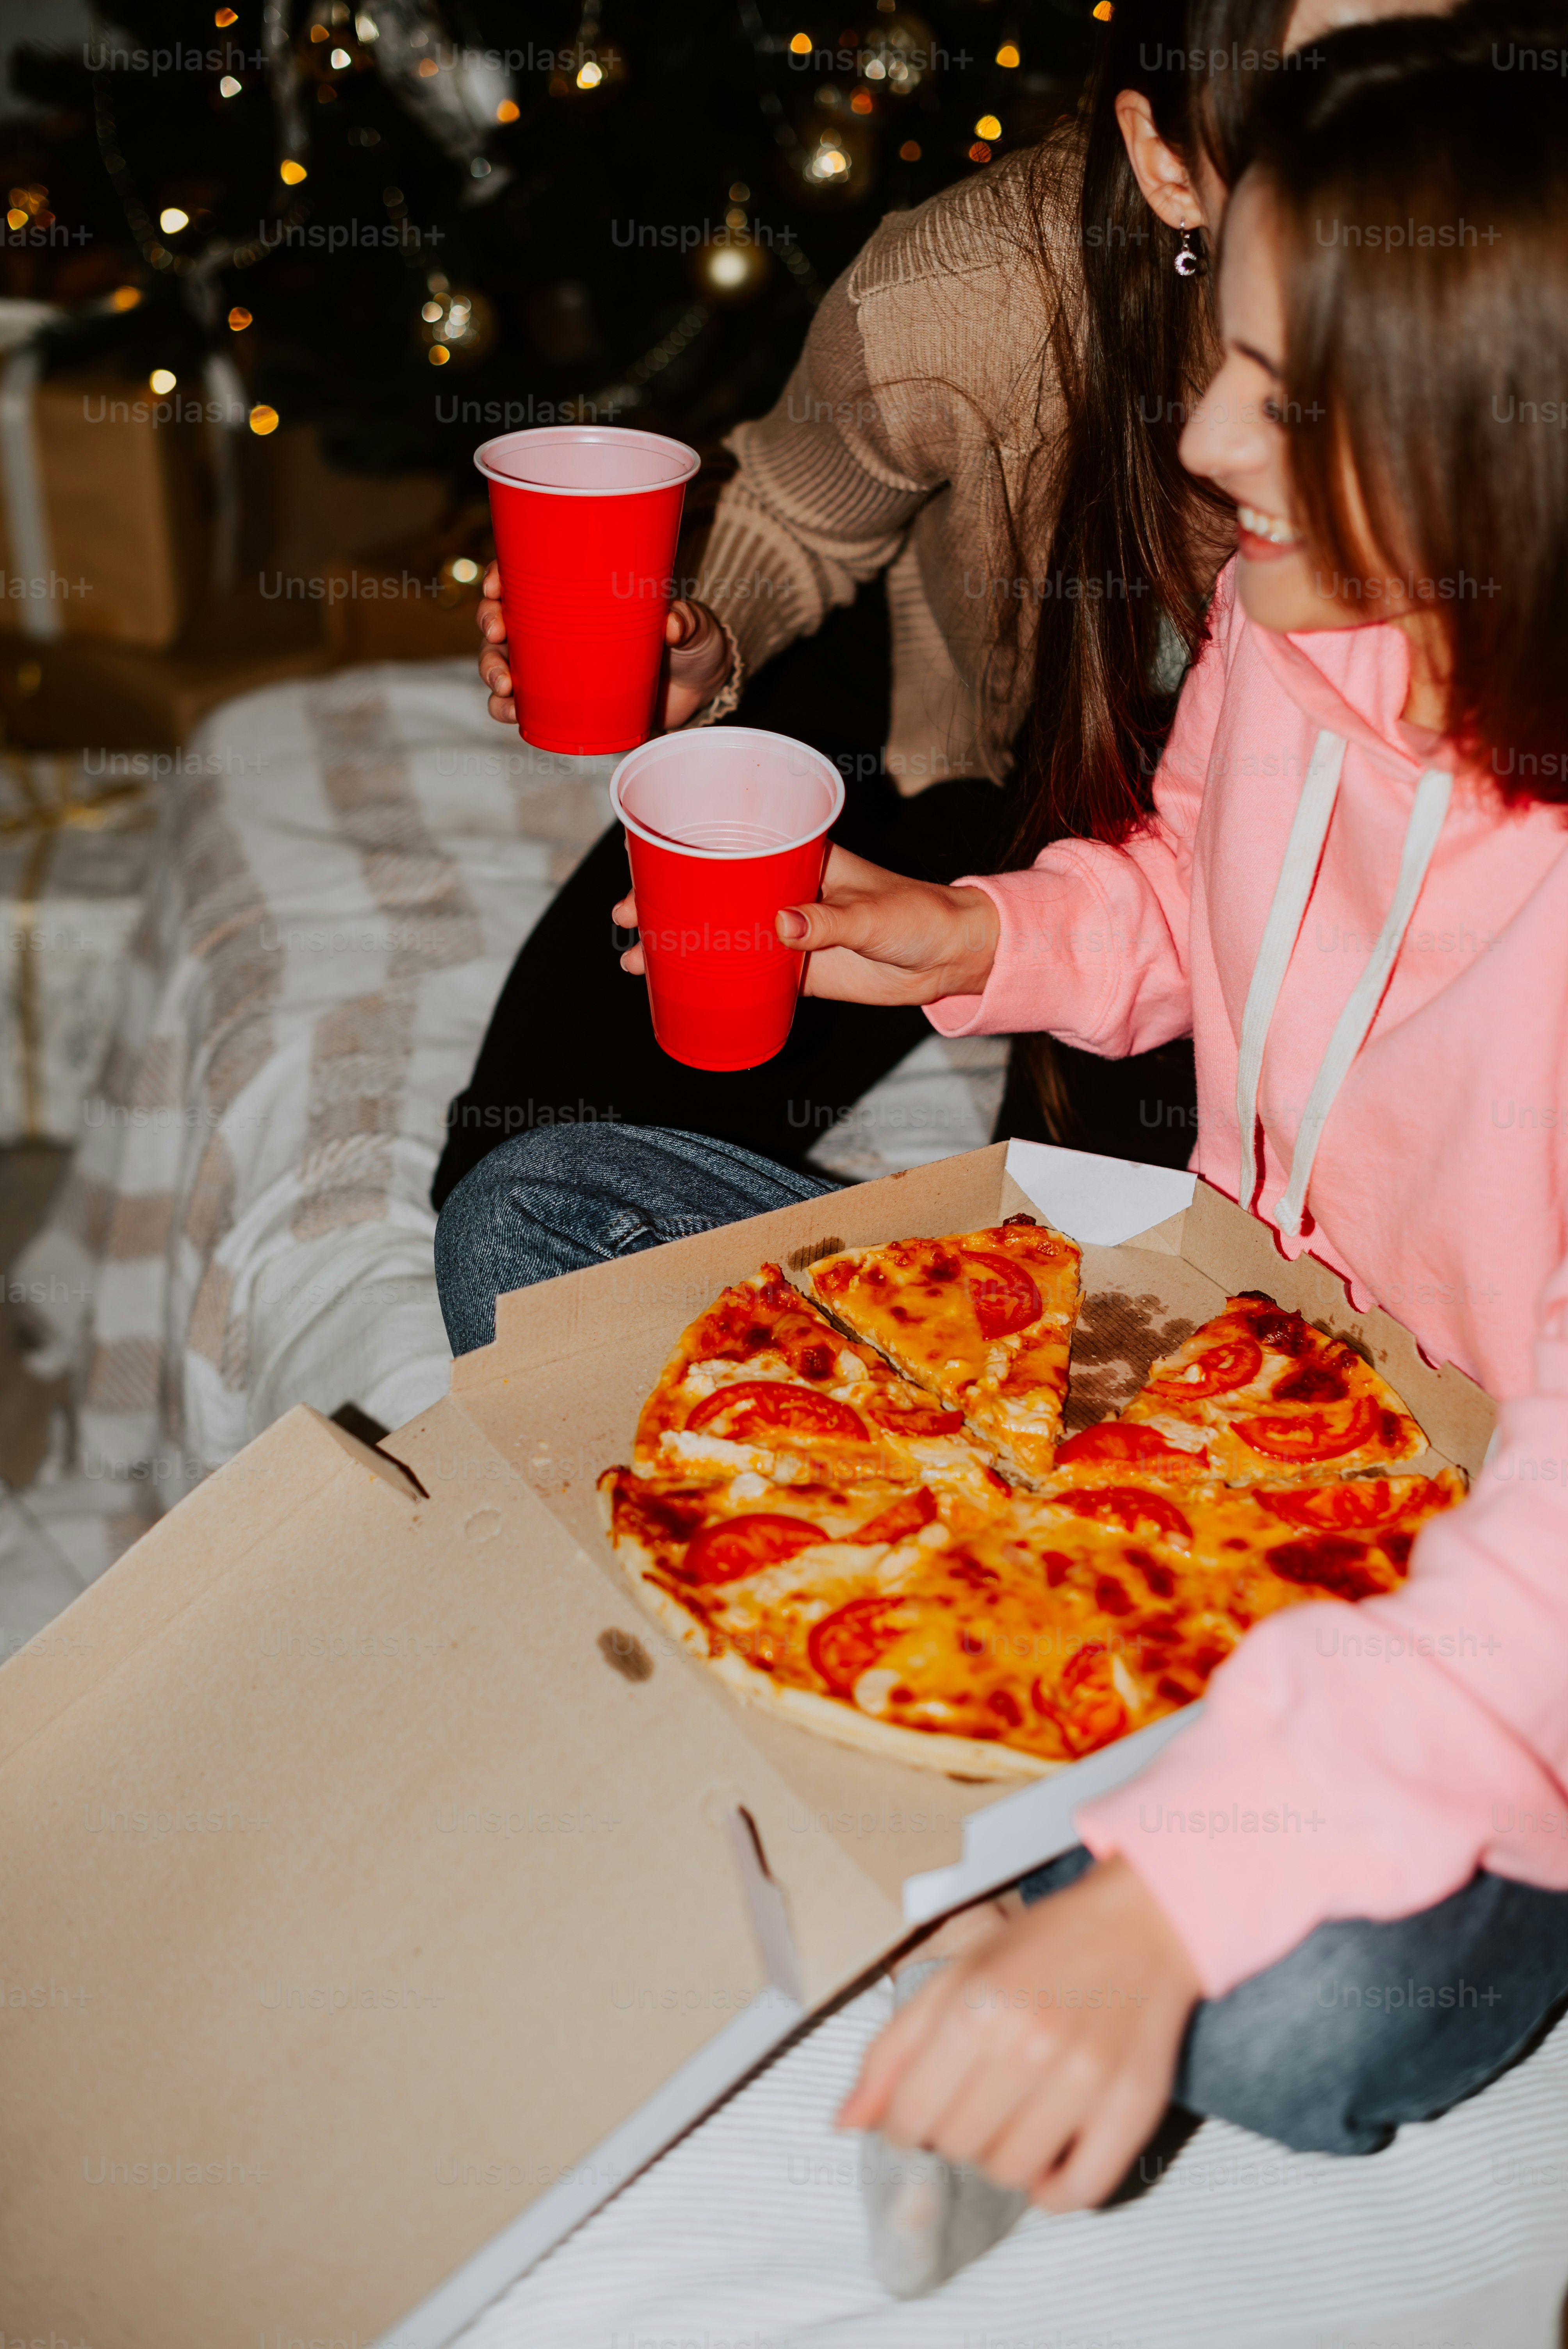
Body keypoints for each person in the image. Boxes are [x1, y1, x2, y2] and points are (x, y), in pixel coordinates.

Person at [434, 0, 1568, 2235]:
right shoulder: (1292, 605)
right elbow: (1182, 895)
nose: (1208, 429)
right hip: (1220, 1391)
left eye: (1286, 390)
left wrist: (1158, 1916)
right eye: (1220, 349)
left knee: (1294, 2025)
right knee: (552, 1208)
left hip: (1493, 1548)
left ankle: (1092, 1837)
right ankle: (1058, 1788)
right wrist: (974, 943)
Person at [435, 0, 1304, 1210]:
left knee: (1118, 1279)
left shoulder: (1507, 320)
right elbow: (794, 508)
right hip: (965, 734)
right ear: (1170, 160)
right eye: (1321, 86)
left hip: (1245, 833)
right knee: (533, 1168)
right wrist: (701, 642)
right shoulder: (965, 291)